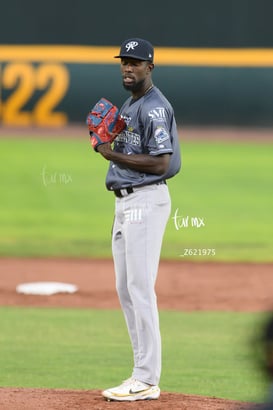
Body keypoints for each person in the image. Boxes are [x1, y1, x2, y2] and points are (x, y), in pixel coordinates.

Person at [96, 37, 182, 402]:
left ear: (150, 67)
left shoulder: (154, 108)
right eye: (124, 62)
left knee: (140, 290)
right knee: (126, 289)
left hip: (145, 201)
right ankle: (140, 373)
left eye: (135, 62)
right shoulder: (132, 106)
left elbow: (163, 162)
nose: (127, 68)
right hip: (126, 203)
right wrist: (113, 145)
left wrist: (110, 153)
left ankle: (147, 378)